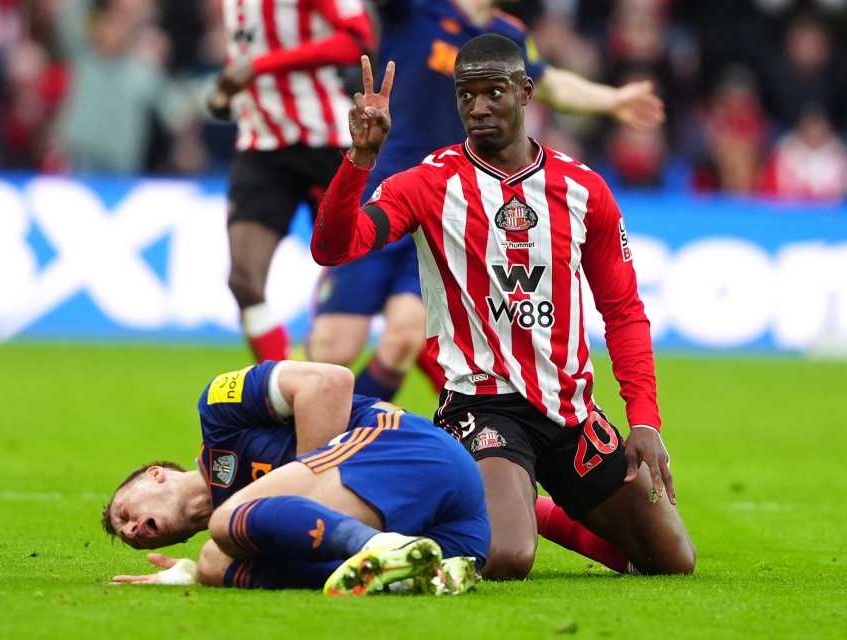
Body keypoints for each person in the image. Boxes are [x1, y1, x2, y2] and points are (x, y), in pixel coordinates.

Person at [311, 36, 696, 580]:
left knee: (673, 560)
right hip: (482, 405)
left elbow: (624, 312)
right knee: (508, 556)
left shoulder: (584, 190)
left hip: (570, 411)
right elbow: (333, 247)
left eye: (494, 92)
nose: (478, 107)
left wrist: (644, 421)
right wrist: (360, 160)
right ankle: (438, 514)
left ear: (525, 92)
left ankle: (521, 507)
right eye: (466, 95)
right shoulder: (429, 183)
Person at [307, 0, 665, 406]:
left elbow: (550, 85)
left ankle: (344, 435)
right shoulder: (414, 8)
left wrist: (613, 100)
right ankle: (311, 424)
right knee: (332, 350)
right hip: (388, 197)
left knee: (405, 337)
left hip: (447, 211)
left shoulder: (508, 34)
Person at [103, 359, 490, 595]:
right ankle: (408, 573)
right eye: (130, 538)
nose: (132, 530)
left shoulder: (218, 412)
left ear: (155, 474)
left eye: (124, 514)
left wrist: (310, 478)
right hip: (453, 528)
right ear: (181, 539)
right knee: (215, 562)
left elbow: (329, 382)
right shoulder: (245, 534)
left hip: (408, 448)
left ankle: (382, 548)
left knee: (224, 529)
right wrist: (196, 575)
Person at [206, 0, 374, 363]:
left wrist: (258, 67)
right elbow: (250, 43)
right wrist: (228, 89)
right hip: (261, 143)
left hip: (325, 140)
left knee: (359, 275)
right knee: (243, 280)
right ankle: (285, 382)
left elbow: (358, 40)